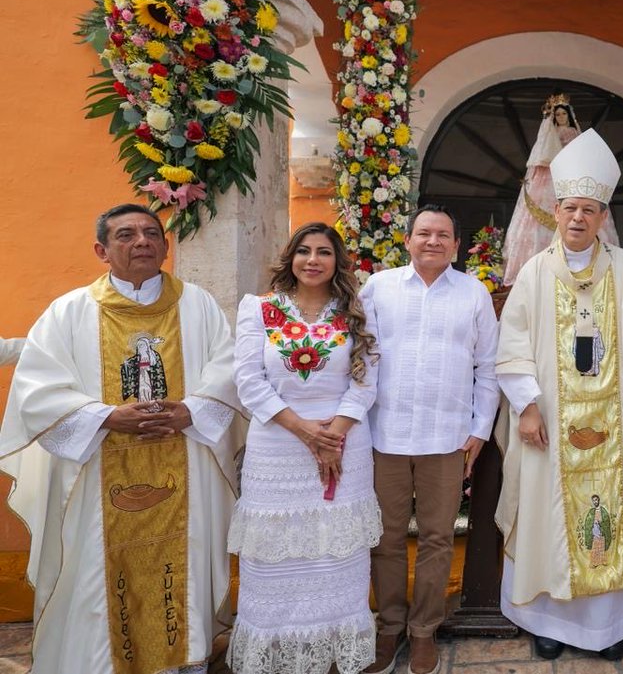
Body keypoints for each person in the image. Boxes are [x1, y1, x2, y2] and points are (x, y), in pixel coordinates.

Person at [0, 203, 246, 673]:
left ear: (165, 245)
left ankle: (182, 661)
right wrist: (107, 418)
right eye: (127, 235)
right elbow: (38, 387)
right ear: (102, 250)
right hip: (97, 470)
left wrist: (189, 411)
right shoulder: (69, 311)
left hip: (184, 462)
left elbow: (228, 371)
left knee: (182, 562)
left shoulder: (198, 305)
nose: (142, 242)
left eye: (152, 233)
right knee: (96, 573)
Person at [495, 128, 623, 661]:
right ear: (556, 211)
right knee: (549, 517)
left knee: (613, 514)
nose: (577, 218)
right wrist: (526, 406)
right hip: (548, 419)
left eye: (589, 210)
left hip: (616, 422)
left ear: (602, 217)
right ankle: (550, 620)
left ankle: (609, 626)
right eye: (570, 207)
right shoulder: (535, 271)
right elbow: (513, 341)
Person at [228, 222, 382, 674]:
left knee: (337, 553)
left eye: (324, 252)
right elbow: (248, 382)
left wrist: (332, 433)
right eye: (304, 251)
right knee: (276, 554)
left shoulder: (353, 311)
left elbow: (366, 382)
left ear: (337, 263)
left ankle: (333, 653)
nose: (313, 260)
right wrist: (306, 432)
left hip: (346, 443)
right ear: (290, 258)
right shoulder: (259, 309)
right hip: (277, 444)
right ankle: (276, 654)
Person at [360, 204, 500, 674]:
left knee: (439, 538)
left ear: (457, 246)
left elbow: (488, 367)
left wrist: (480, 429)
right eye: (424, 233)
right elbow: (358, 357)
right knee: (386, 538)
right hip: (386, 435)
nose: (433, 241)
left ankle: (424, 631)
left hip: (448, 438)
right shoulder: (378, 288)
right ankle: (390, 626)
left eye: (443, 235)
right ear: (408, 240)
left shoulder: (473, 293)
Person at [503, 94, 618, 286]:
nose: (561, 117)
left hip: (573, 177)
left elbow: (581, 155)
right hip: (549, 176)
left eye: (564, 113)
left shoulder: (574, 133)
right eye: (558, 114)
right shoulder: (549, 132)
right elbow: (543, 154)